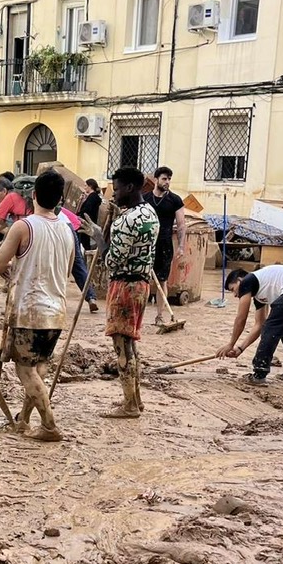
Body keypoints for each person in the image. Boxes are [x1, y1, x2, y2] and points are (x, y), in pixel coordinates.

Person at [0, 170, 74, 442]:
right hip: (57, 309)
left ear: (34, 195)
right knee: (39, 367)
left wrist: (11, 274)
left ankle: (49, 425)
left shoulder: (23, 226)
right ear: (60, 198)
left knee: (25, 370)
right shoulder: (67, 229)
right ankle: (24, 420)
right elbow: (69, 269)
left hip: (29, 310)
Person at [104, 167, 159, 418]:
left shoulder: (125, 221)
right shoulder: (150, 213)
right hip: (142, 285)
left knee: (122, 347)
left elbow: (113, 261)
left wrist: (100, 238)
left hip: (124, 286)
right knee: (131, 344)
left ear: (129, 188)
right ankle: (135, 399)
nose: (113, 194)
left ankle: (129, 404)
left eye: (115, 189)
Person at [216, 264, 283, 383]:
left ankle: (259, 373)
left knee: (271, 327)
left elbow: (241, 318)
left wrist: (230, 344)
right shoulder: (260, 293)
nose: (235, 295)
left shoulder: (247, 281)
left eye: (233, 289)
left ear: (239, 280)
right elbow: (259, 325)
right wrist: (240, 348)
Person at [143, 166, 186, 325]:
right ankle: (139, 315)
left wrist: (181, 246)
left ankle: (159, 316)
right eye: (164, 179)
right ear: (156, 180)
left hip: (165, 244)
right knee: (143, 280)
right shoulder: (145, 198)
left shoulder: (175, 200)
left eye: (169, 179)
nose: (167, 182)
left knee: (162, 281)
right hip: (147, 244)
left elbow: (181, 224)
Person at [60, 202, 99, 313]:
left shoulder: (36, 207)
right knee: (78, 264)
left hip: (58, 227)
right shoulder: (60, 208)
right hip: (70, 226)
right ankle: (91, 298)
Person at [78, 178, 102, 250]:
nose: (84, 188)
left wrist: (80, 216)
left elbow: (86, 209)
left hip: (86, 222)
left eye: (85, 186)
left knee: (84, 241)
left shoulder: (92, 197)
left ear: (90, 186)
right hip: (87, 221)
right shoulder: (92, 197)